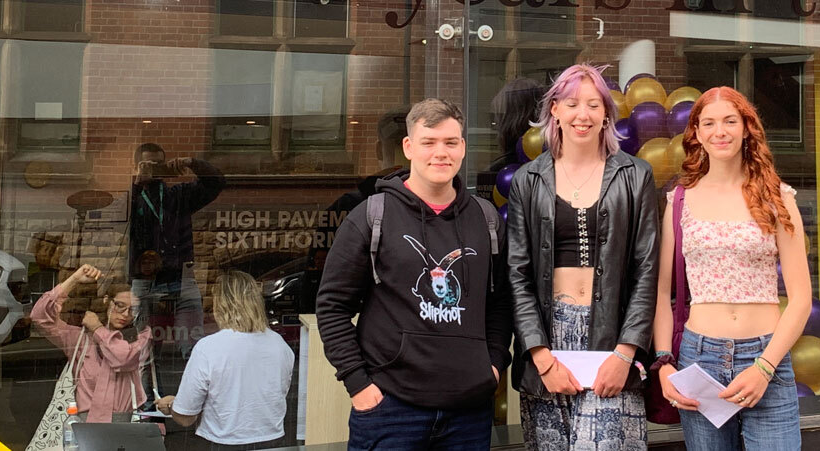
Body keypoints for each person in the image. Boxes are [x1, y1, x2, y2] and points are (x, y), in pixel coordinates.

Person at [315, 98, 513, 451]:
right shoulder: (371, 216)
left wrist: (494, 365)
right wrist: (359, 385)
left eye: (451, 142)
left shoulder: (486, 221)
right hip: (390, 409)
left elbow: (500, 302)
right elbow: (332, 306)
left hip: (468, 415)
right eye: (429, 142)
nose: (441, 153)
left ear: (463, 147)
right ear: (409, 147)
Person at [508, 64, 660, 449]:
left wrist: (626, 354)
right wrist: (541, 357)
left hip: (611, 336)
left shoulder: (635, 175)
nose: (583, 114)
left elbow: (646, 270)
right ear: (555, 109)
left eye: (594, 104)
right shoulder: (529, 180)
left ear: (607, 113)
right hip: (547, 336)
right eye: (572, 103)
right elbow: (517, 274)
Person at [652, 87, 811, 450]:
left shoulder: (777, 198)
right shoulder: (678, 200)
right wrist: (663, 363)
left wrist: (765, 368)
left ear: (745, 128)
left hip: (765, 357)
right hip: (699, 359)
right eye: (708, 123)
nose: (719, 131)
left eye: (729, 121)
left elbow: (801, 299)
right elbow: (662, 293)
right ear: (696, 133)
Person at [156, 271, 296, 451]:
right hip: (274, 440)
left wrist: (171, 405)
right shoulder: (279, 345)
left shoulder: (209, 347)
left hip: (224, 443)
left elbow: (185, 417)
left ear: (220, 305)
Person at [128, 142, 227, 358]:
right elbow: (125, 224)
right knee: (146, 354)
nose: (154, 168)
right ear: (136, 166)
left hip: (181, 278)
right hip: (145, 282)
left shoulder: (178, 195)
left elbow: (217, 183)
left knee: (194, 349)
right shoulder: (131, 200)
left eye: (159, 164)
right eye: (148, 164)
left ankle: (191, 393)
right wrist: (137, 184)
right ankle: (149, 394)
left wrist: (192, 163)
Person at [30, 264, 155, 423]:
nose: (126, 314)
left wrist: (97, 328)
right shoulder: (82, 339)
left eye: (133, 310)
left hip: (124, 423)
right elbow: (40, 318)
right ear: (106, 301)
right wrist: (74, 279)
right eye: (120, 306)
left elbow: (122, 358)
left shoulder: (142, 335)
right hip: (83, 422)